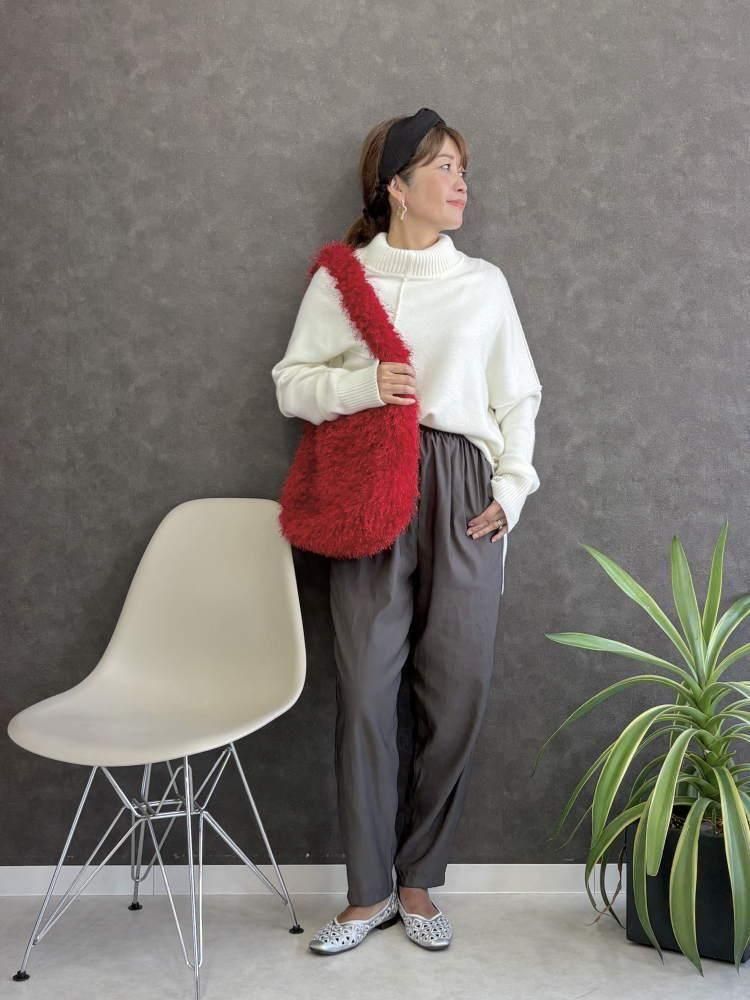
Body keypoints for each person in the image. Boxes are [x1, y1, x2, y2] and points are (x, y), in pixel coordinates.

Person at [271, 108, 543, 954]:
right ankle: (367, 894)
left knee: (456, 690)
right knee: (364, 692)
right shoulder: (343, 280)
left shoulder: (484, 284)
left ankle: (419, 879)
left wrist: (512, 489)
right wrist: (363, 387)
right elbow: (291, 383)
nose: (461, 183)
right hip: (369, 484)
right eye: (444, 167)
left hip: (463, 489)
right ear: (396, 184)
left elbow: (518, 397)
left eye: (464, 168)